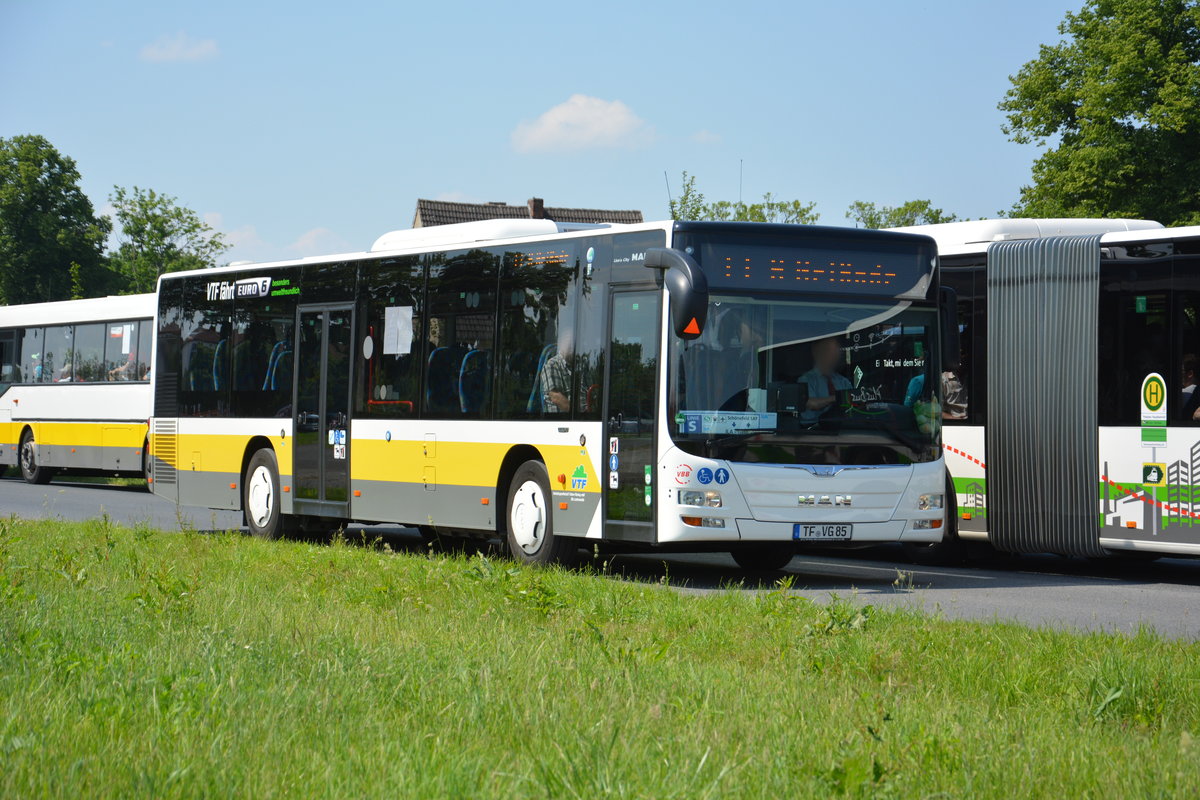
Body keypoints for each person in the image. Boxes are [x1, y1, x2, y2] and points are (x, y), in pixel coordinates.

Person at [800, 336, 852, 422]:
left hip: (842, 429)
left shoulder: (843, 381)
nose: (833, 354)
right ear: (817, 352)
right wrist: (837, 398)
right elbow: (811, 404)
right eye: (828, 350)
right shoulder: (806, 380)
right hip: (812, 431)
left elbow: (853, 402)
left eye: (835, 350)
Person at [540, 330, 572, 413]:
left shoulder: (581, 366)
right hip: (562, 420)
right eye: (569, 343)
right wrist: (580, 414)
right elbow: (556, 397)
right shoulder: (552, 365)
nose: (572, 347)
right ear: (561, 345)